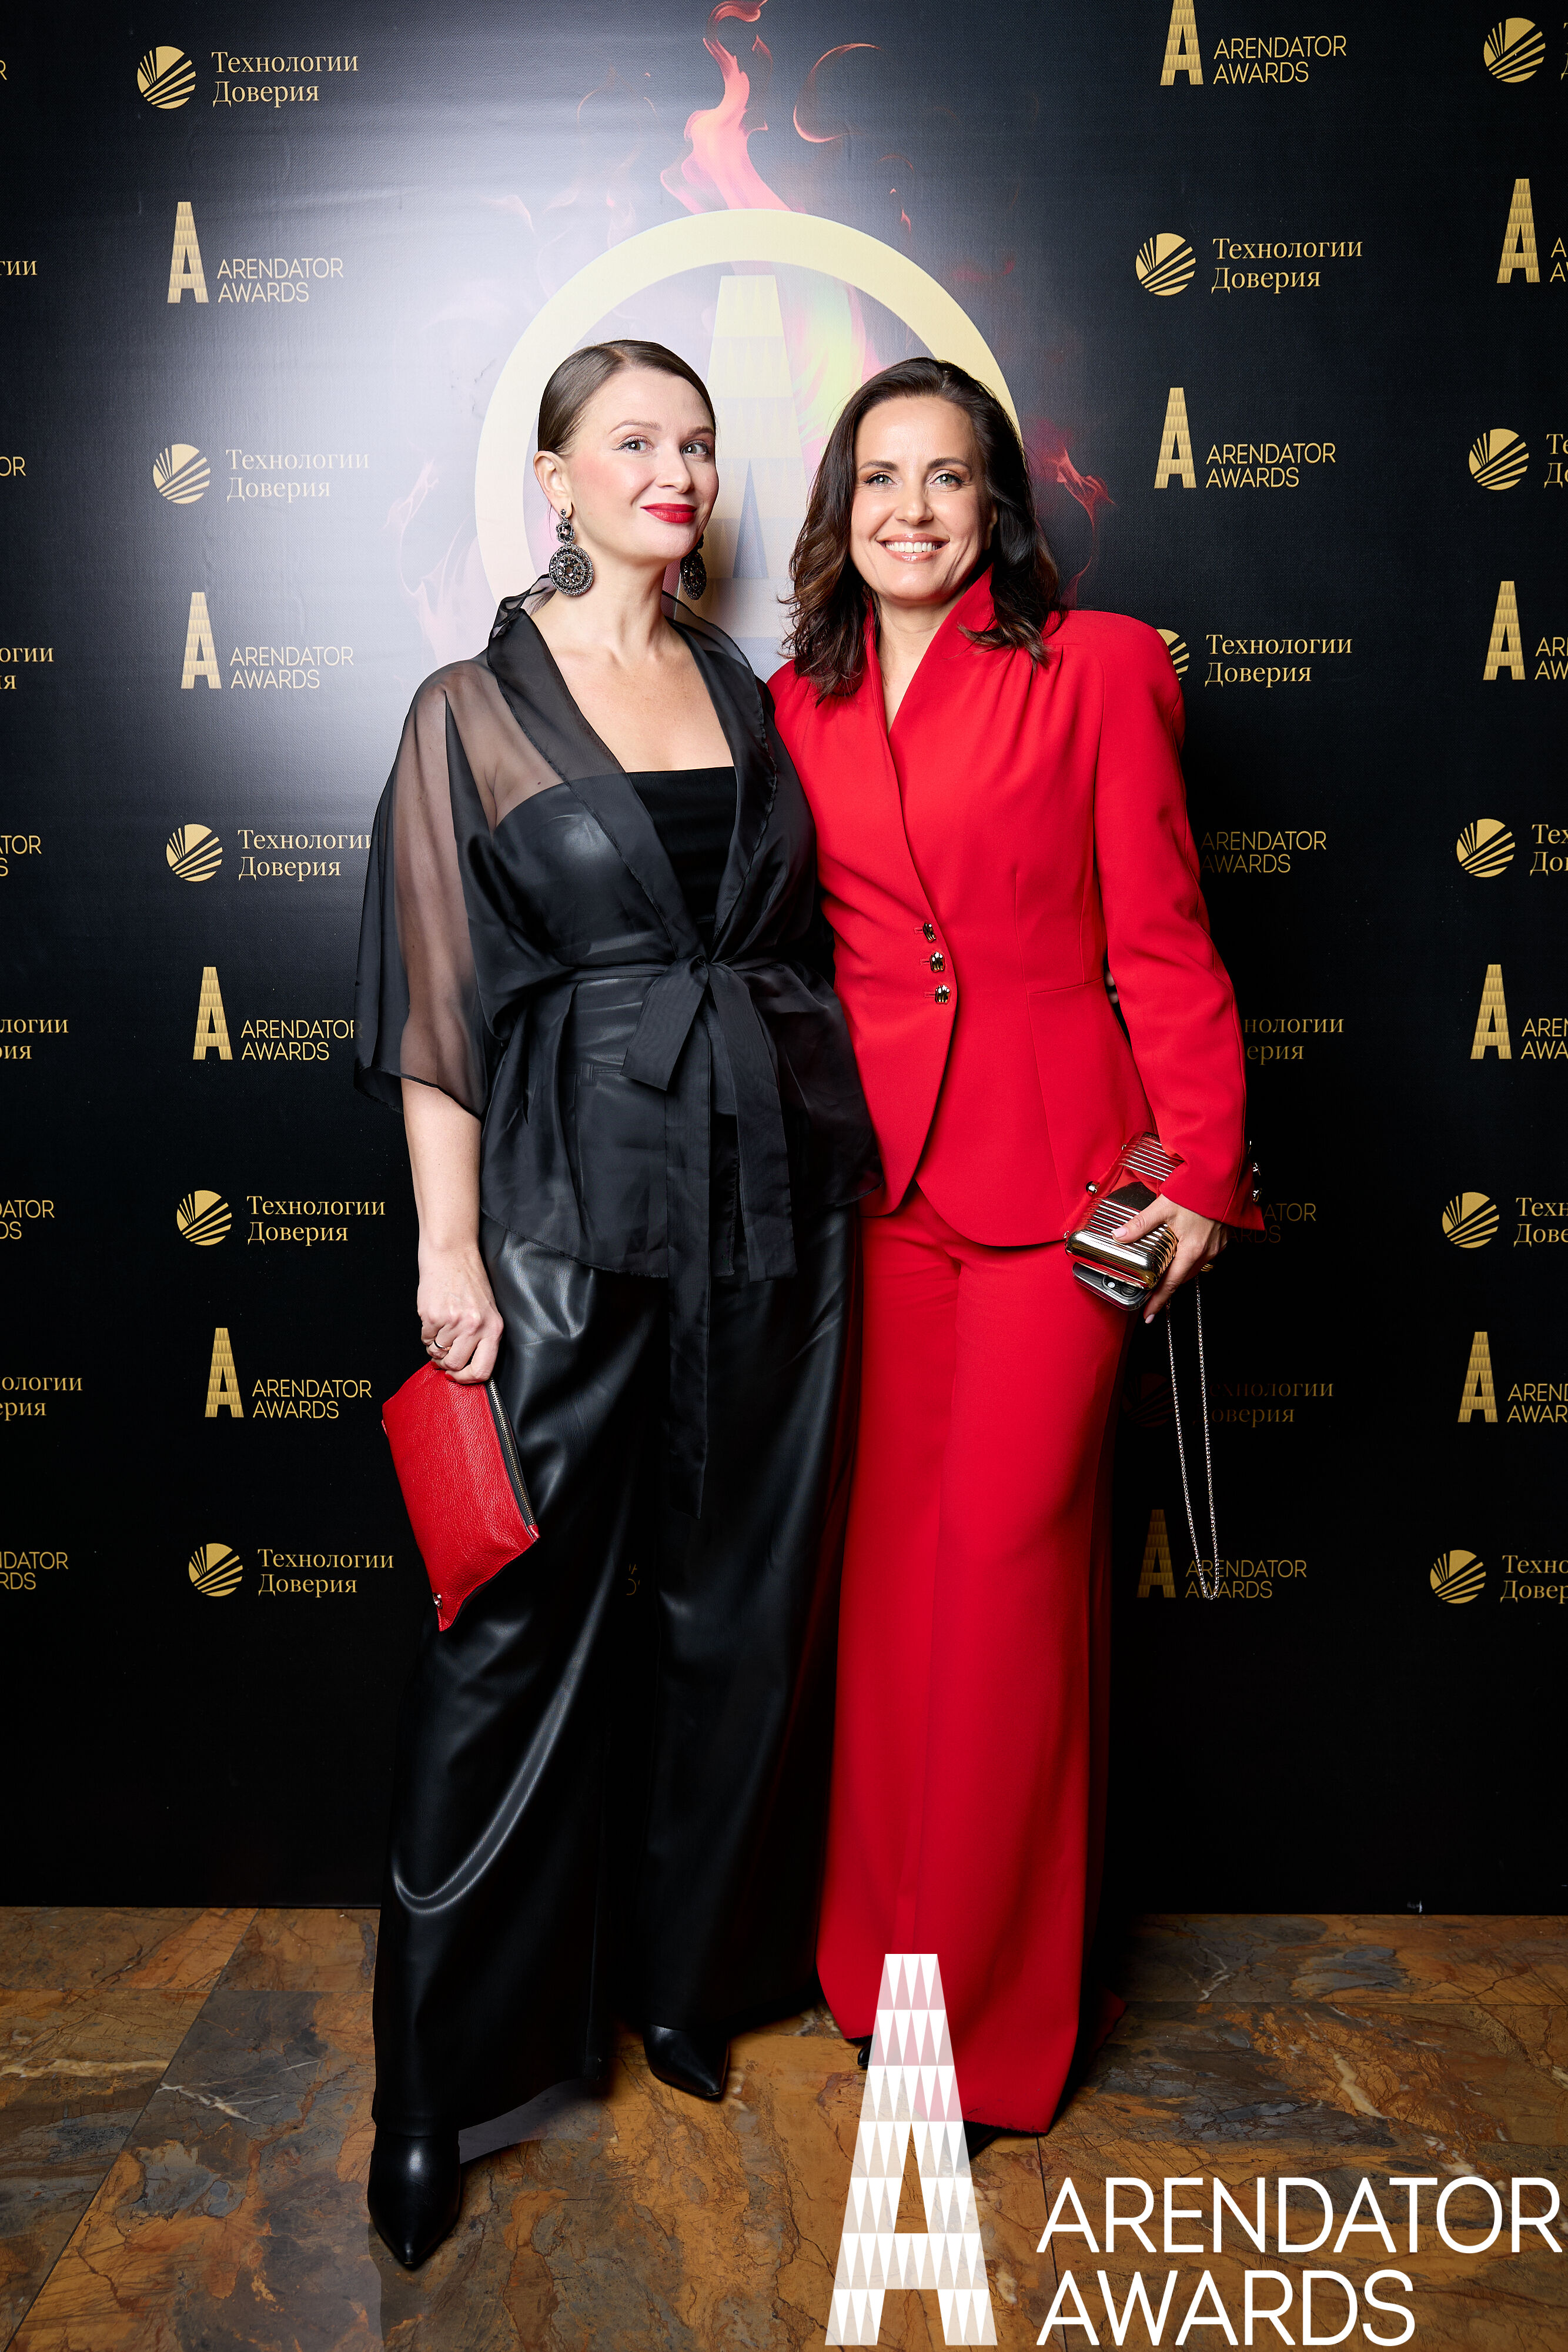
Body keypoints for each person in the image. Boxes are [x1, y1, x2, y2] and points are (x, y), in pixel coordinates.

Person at [353, 339, 878, 2267]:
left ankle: (682, 1981)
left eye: (699, 443)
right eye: (634, 442)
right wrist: (448, 1252)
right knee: (513, 1630)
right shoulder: (466, 711)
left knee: (735, 1607)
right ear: (556, 477)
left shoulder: (745, 690)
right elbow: (435, 999)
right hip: (564, 1204)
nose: (677, 470)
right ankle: (431, 2089)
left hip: (771, 1200)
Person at [768, 357, 1263, 2159]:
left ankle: (977, 2041)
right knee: (888, 1593)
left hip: (1070, 1190)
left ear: (994, 507)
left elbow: (1162, 934)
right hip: (875, 1192)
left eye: (945, 478)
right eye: (879, 478)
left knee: (1004, 1582)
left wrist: (1195, 1169)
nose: (909, 510)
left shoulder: (1097, 667)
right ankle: (873, 1966)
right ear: (839, 510)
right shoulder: (791, 703)